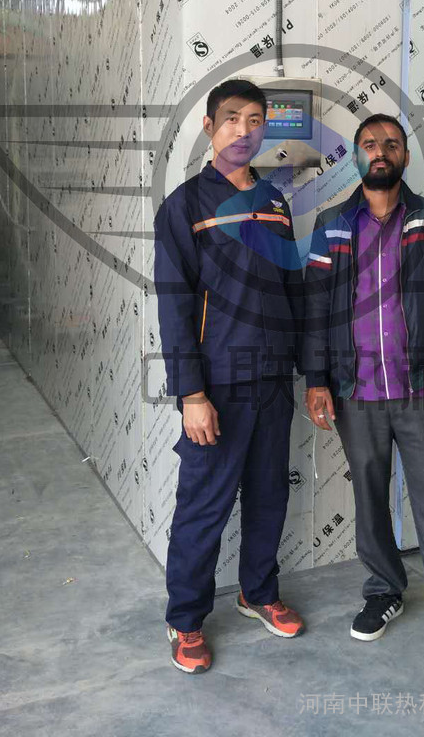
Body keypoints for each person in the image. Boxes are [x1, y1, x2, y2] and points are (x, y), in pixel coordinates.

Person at [303, 113, 424, 661]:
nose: (381, 152)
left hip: (418, 388)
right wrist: (316, 380)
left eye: (391, 144)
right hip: (355, 391)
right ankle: (384, 591)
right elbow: (316, 309)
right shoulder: (331, 224)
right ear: (357, 157)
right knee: (369, 498)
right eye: (370, 144)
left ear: (405, 157)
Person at [154, 78, 305, 674]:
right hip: (217, 384)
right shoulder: (185, 206)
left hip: (273, 379)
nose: (244, 130)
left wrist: (309, 369)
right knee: (204, 505)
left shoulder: (275, 202)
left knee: (269, 494)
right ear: (210, 128)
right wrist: (191, 393)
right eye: (232, 119)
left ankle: (257, 592)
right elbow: (175, 306)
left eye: (255, 120)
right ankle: (186, 619)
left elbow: (292, 288)